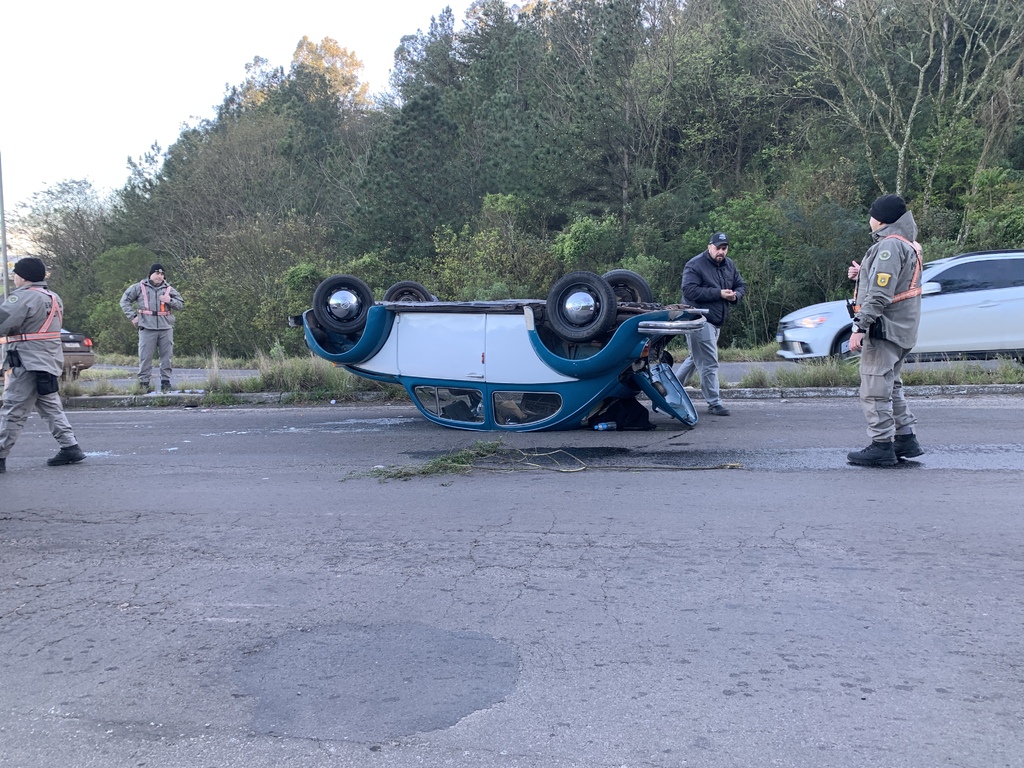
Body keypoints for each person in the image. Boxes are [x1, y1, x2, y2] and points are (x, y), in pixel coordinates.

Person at [846, 193, 924, 467]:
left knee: (874, 387)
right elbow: (897, 281)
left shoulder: (888, 247)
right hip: (903, 328)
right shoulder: (909, 244)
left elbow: (879, 295)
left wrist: (859, 327)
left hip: (885, 328)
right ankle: (906, 437)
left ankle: (881, 444)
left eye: (871, 213)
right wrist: (864, 272)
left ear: (881, 219)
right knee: (892, 387)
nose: (869, 219)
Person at [0, 258, 86, 473]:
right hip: (48, 360)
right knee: (49, 405)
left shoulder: (22, 297)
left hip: (27, 361)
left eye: (16, 274)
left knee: (13, 408)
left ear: (23, 276)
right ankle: (70, 447)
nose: (14, 277)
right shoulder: (53, 297)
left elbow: (2, 325)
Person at [676, 232, 747, 416]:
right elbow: (689, 291)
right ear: (709, 246)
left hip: (716, 321)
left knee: (695, 359)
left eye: (724, 248)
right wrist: (719, 293)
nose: (721, 252)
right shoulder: (694, 265)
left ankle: (670, 390)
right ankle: (714, 402)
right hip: (698, 319)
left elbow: (741, 285)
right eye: (718, 248)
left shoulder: (729, 265)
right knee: (709, 362)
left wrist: (735, 296)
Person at [119, 264, 184, 392]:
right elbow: (124, 301)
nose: (159, 276)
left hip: (165, 327)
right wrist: (133, 316)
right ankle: (144, 383)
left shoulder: (169, 289)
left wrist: (169, 300)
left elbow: (181, 304)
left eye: (161, 274)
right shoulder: (138, 287)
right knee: (145, 356)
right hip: (147, 327)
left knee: (167, 356)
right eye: (156, 273)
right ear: (150, 274)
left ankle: (166, 382)